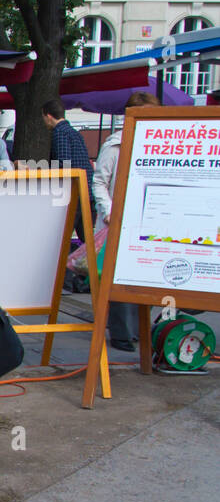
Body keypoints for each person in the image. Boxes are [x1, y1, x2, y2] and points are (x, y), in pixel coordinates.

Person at [91, 91, 159, 350]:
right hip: (116, 222)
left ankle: (139, 328)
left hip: (147, 221)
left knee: (143, 276)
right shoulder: (115, 145)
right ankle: (121, 333)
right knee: (117, 279)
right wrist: (108, 210)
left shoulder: (155, 142)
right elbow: (100, 181)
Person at [43, 99, 94, 238]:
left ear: (48, 116)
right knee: (87, 238)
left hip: (72, 192)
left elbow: (63, 164)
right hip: (86, 189)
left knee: (60, 237)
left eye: (43, 118)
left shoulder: (60, 133)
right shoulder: (74, 133)